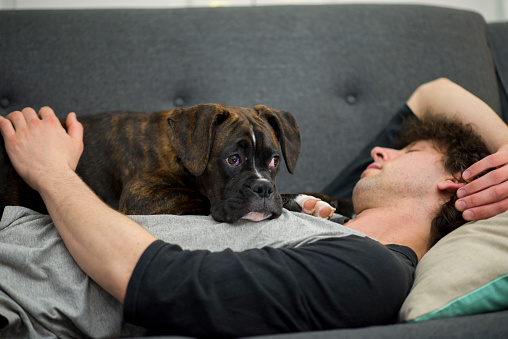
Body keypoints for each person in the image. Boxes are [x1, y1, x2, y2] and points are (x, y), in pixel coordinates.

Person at [0, 78, 507, 337]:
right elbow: (435, 92)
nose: (380, 149)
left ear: (450, 184)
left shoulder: (369, 266)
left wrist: (50, 173)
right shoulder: (323, 206)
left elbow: (154, 279)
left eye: (408, 151)